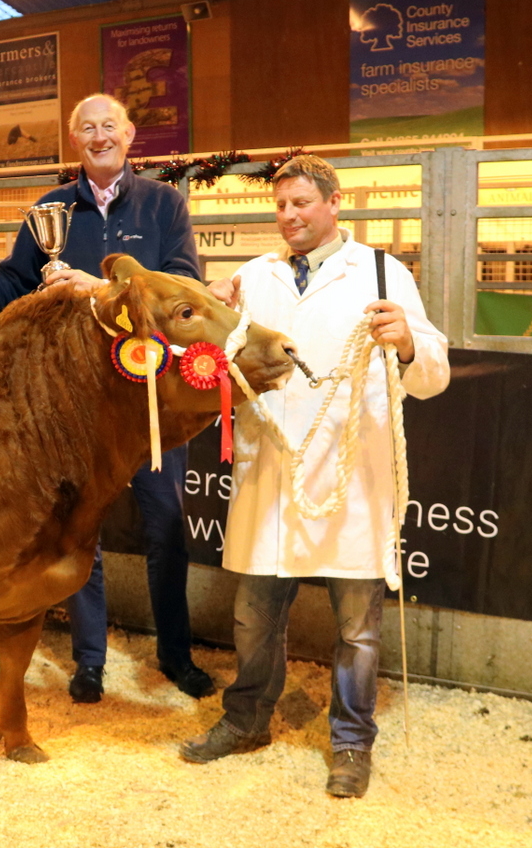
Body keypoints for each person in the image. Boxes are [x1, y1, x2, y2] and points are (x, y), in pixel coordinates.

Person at [0, 93, 215, 703]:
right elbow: (13, 287)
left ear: (129, 135)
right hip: (74, 409)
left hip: (148, 403)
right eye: (88, 128)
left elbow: (184, 286)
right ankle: (90, 660)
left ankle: (174, 654)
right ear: (74, 139)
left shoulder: (164, 203)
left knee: (166, 527)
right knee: (80, 538)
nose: (100, 136)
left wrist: (101, 289)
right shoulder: (50, 209)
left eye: (110, 126)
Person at [178, 154, 449, 798]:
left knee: (357, 627)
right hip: (272, 468)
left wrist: (407, 341)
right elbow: (212, 353)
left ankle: (352, 743)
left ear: (334, 202)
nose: (289, 216)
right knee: (253, 616)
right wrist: (209, 313)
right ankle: (246, 720)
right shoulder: (253, 275)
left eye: (301, 203)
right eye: (281, 205)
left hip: (348, 475)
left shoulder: (381, 272)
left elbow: (433, 374)